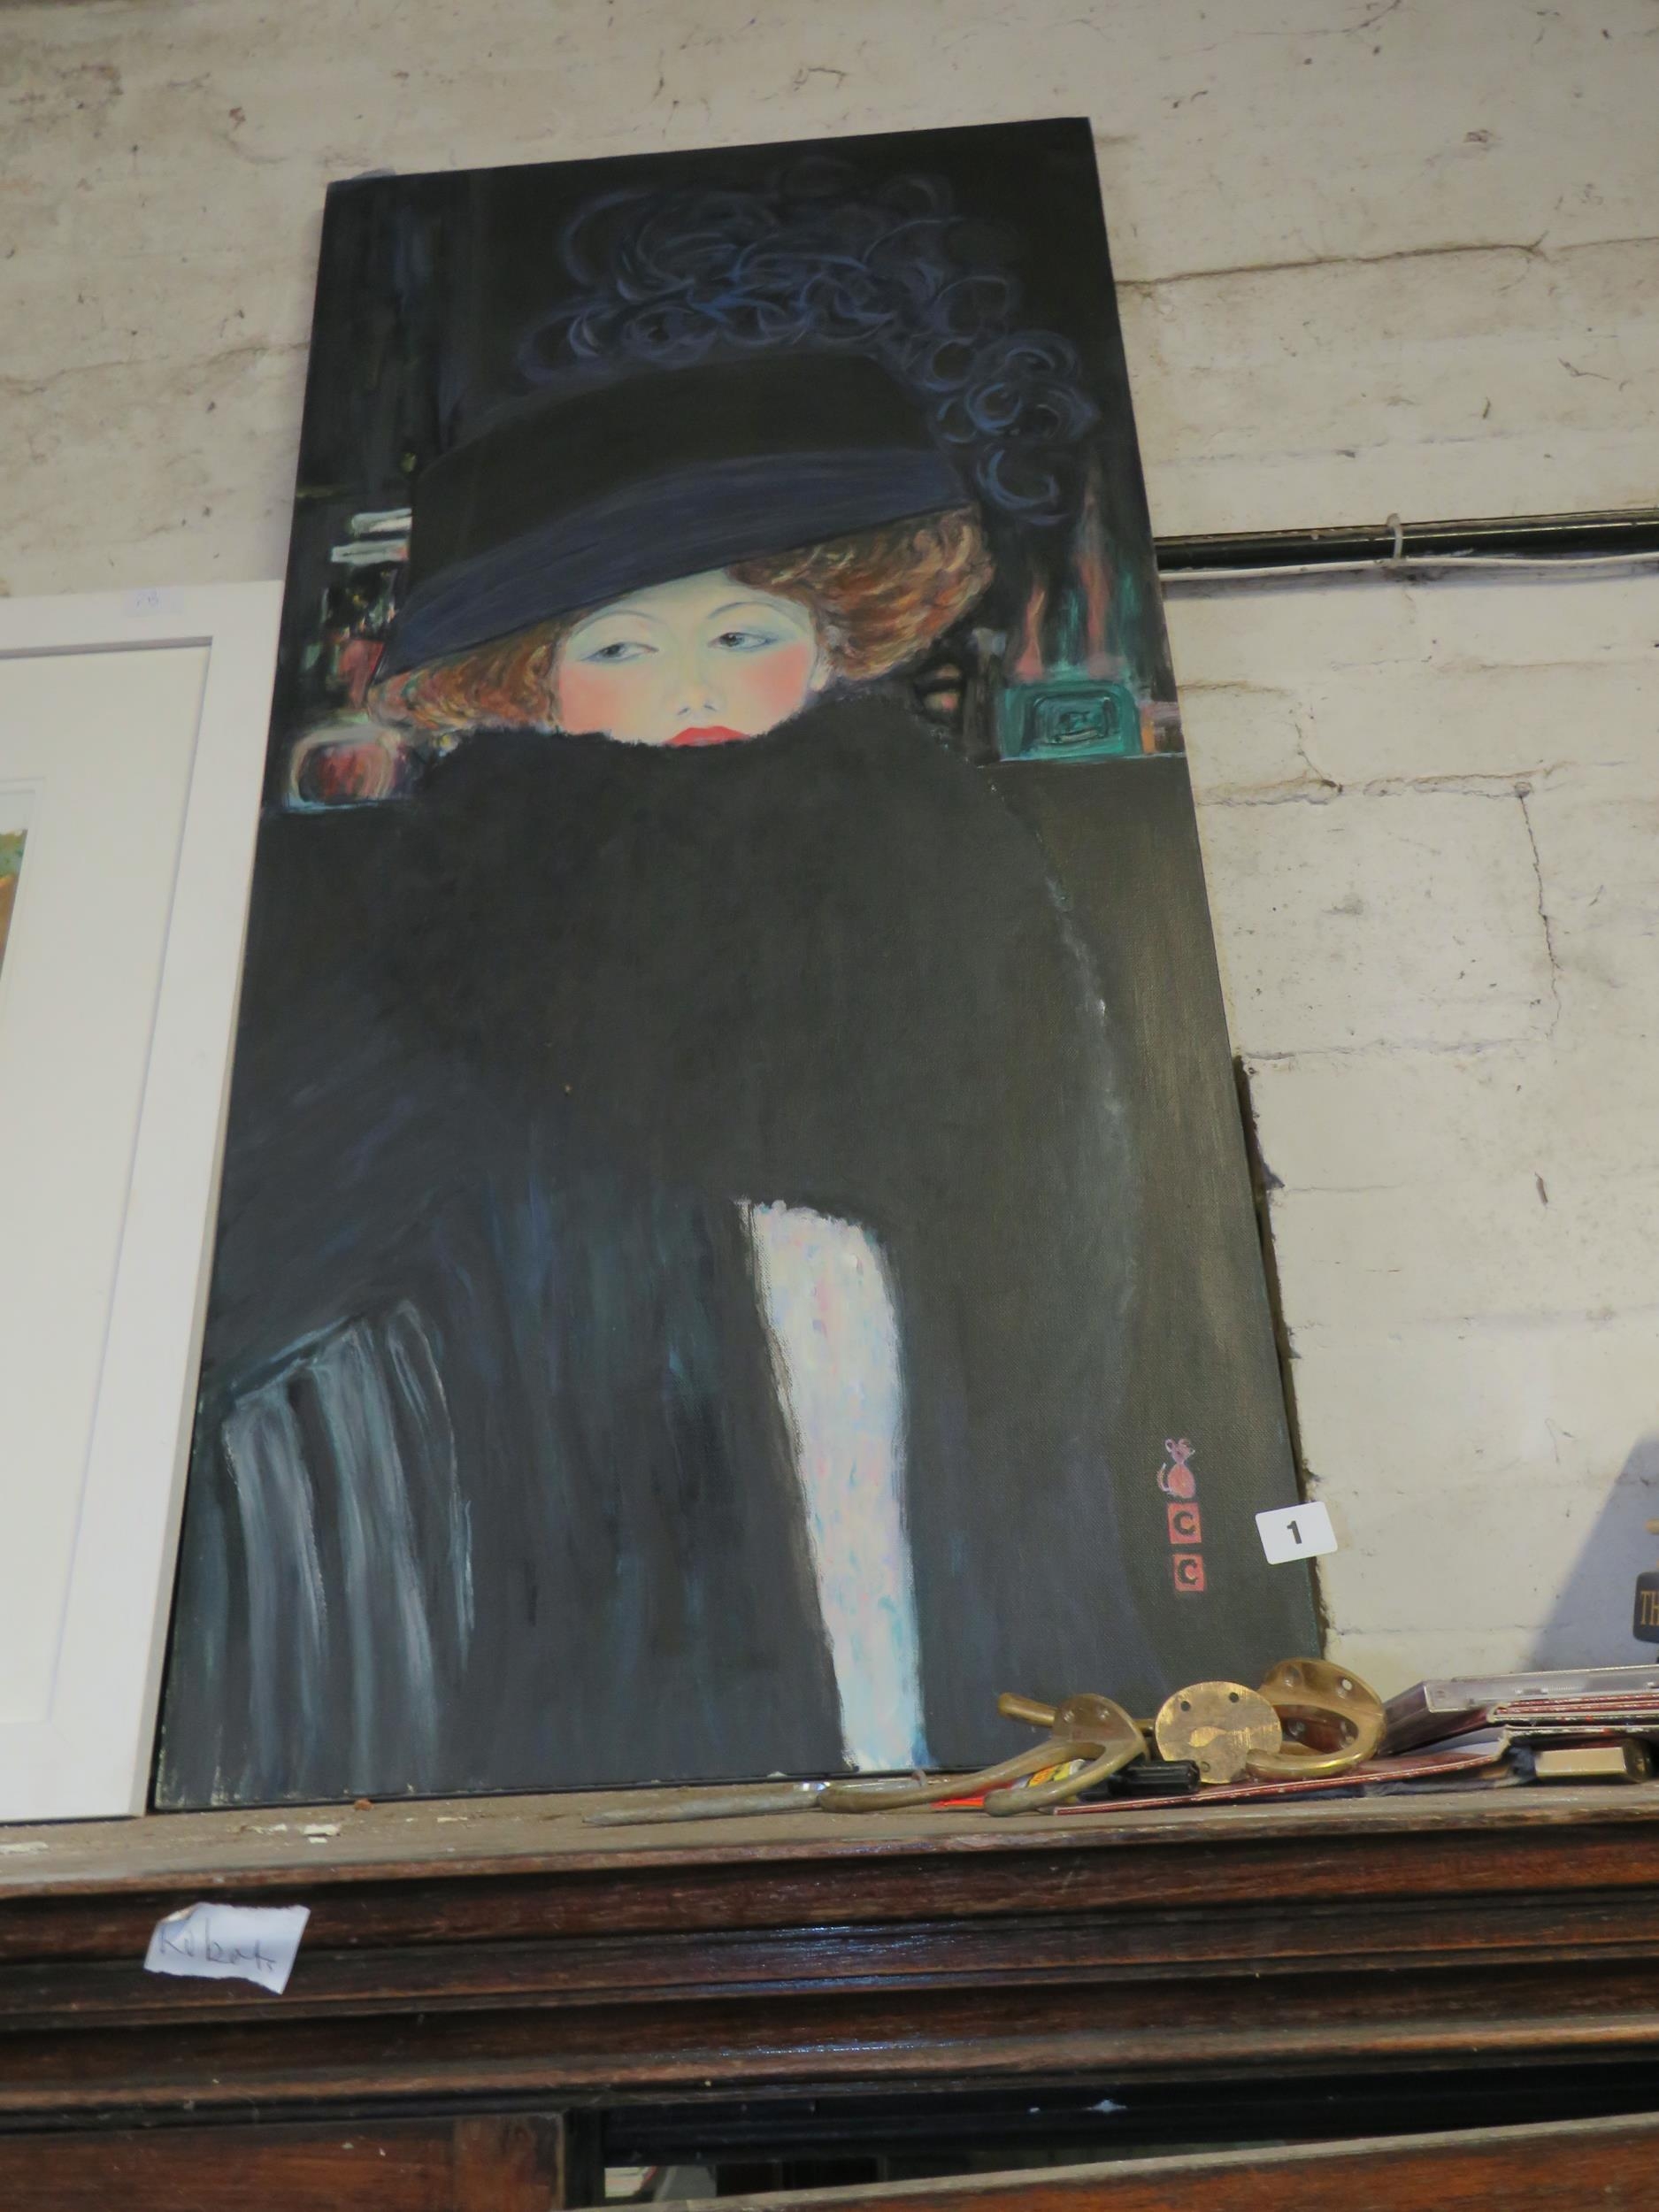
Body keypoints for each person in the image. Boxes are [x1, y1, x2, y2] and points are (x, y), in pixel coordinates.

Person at [156, 350, 1148, 1807]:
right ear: (535, 685)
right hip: (608, 1602)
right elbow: (264, 1283)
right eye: (621, 648)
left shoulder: (958, 882)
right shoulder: (454, 922)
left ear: (832, 642)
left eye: (742, 631)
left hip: (954, 1506)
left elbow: (1068, 1260)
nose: (690, 687)